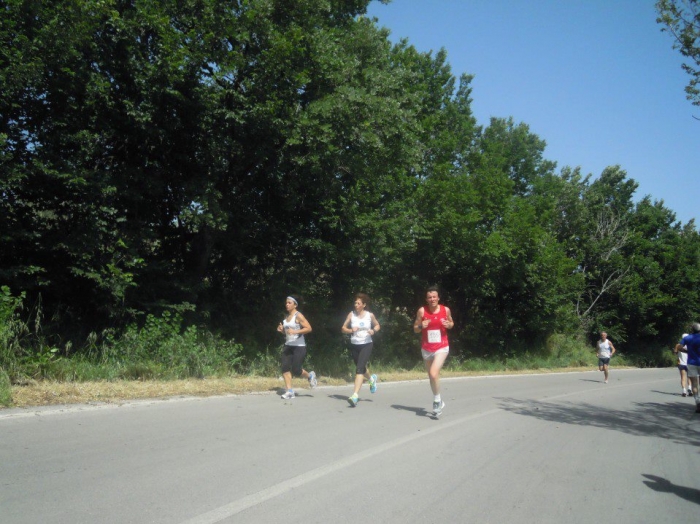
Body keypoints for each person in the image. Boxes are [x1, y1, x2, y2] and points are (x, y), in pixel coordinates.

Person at [413, 286, 454, 416]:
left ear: (438, 298)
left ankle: (436, 401)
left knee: (434, 372)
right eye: (429, 297)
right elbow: (415, 328)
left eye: (434, 297)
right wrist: (421, 326)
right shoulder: (422, 311)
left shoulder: (445, 310)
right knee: (432, 376)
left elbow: (451, 323)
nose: (432, 299)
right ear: (426, 299)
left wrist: (449, 325)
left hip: (442, 346)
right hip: (426, 348)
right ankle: (439, 399)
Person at [341, 293, 381, 407]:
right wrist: (350, 330)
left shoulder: (370, 315)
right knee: (361, 367)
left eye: (358, 303)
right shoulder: (351, 314)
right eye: (355, 303)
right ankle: (371, 379)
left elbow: (378, 325)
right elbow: (343, 328)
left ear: (364, 305)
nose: (356, 305)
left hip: (366, 344)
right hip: (355, 344)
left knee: (359, 369)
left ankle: (355, 395)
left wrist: (373, 330)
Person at [277, 295, 317, 399]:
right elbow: (287, 333)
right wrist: (282, 330)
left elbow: (309, 328)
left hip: (299, 346)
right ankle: (289, 391)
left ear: (295, 305)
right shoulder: (286, 318)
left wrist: (295, 331)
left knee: (296, 370)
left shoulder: (298, 316)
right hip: (288, 346)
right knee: (285, 367)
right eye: (286, 302)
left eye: (289, 303)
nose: (287, 304)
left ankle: (310, 376)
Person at [676, 323, 700, 413]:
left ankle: (698, 403)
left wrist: (686, 351)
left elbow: (679, 347)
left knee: (694, 384)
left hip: (691, 363)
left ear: (692, 330)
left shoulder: (687, 338)